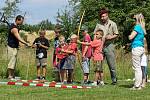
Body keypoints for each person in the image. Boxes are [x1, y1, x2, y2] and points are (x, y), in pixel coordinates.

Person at [94, 8, 119, 85]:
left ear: (107, 16)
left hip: (109, 45)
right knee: (99, 64)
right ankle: (98, 80)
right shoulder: (98, 24)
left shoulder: (113, 24)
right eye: (101, 17)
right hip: (99, 46)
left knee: (111, 64)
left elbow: (116, 34)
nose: (102, 18)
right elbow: (95, 34)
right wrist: (95, 44)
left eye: (104, 16)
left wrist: (110, 37)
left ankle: (114, 80)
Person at [7, 15, 30, 80]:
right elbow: (18, 37)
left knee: (14, 61)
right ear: (17, 20)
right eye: (21, 21)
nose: (22, 23)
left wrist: (20, 44)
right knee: (12, 60)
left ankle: (12, 75)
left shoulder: (16, 27)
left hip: (15, 46)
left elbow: (16, 39)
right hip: (11, 46)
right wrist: (26, 43)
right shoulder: (14, 28)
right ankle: (10, 76)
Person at [129, 13, 146, 90]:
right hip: (141, 48)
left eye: (134, 19)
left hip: (136, 48)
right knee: (139, 67)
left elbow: (131, 37)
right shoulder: (142, 28)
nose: (133, 21)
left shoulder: (137, 27)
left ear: (137, 20)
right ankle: (139, 84)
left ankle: (137, 86)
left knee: (137, 67)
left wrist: (129, 36)